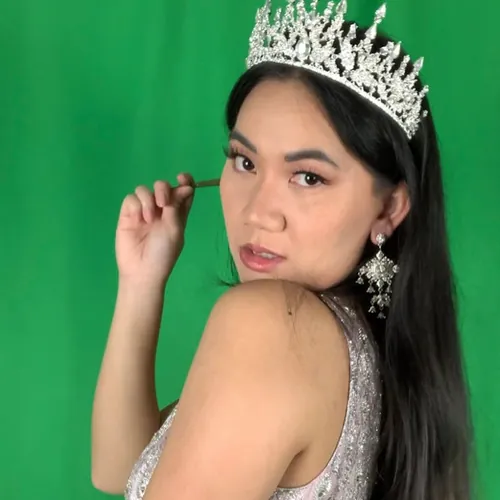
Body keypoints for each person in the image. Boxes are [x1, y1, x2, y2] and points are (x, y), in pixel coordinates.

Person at [91, 1, 473, 499]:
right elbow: (121, 469)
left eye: (308, 177)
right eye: (245, 162)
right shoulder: (360, 345)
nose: (258, 213)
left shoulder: (273, 324)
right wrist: (141, 282)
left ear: (389, 208)